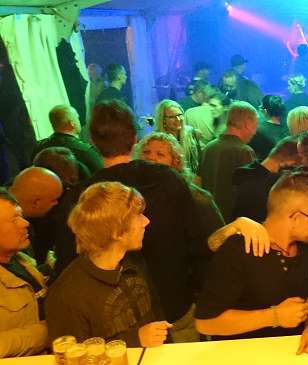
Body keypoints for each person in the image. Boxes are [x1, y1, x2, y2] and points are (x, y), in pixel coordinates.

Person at [51, 100, 214, 344]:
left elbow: (70, 260)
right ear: (135, 138)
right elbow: (198, 243)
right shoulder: (169, 179)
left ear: (93, 141)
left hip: (117, 323)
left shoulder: (83, 197)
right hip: (174, 307)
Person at [195, 171, 308, 354]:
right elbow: (205, 322)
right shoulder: (240, 249)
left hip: (296, 356)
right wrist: (273, 316)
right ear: (295, 217)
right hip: (243, 360)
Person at [45, 182, 169, 348]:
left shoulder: (134, 261)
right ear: (116, 231)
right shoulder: (67, 294)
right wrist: (135, 339)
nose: (146, 221)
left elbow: (155, 313)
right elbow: (71, 355)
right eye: (138, 215)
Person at [0, 189, 48, 358]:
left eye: (21, 216)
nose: (25, 223)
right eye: (14, 220)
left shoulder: (22, 260)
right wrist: (47, 331)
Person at [199, 101, 258, 221]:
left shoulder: (209, 147)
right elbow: (252, 194)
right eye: (255, 125)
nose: (255, 132)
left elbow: (198, 182)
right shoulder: (244, 151)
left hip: (209, 219)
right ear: (247, 124)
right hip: (234, 222)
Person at [33, 105, 103, 179]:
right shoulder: (85, 151)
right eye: (77, 118)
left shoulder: (39, 148)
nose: (79, 121)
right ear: (72, 123)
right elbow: (103, 175)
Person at [153, 99, 204, 173]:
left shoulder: (191, 133)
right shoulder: (157, 140)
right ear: (163, 119)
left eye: (179, 115)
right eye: (172, 117)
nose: (178, 119)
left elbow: (199, 160)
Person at [250, 95, 289, 160]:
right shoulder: (289, 125)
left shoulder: (258, 130)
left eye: (261, 106)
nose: (259, 107)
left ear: (265, 111)